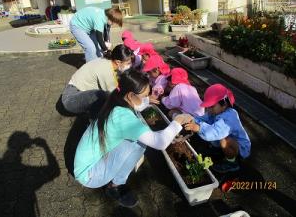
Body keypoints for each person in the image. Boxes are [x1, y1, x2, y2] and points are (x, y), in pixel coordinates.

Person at [73, 69, 192, 208]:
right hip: (90, 175)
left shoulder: (116, 100)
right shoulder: (123, 118)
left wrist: (146, 100)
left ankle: (116, 180)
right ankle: (114, 186)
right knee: (139, 143)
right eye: (144, 95)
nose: (146, 97)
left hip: (86, 163)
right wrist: (177, 121)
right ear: (130, 95)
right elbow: (160, 142)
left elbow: (136, 104)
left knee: (137, 139)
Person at [184, 84, 251, 173]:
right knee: (218, 136)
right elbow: (203, 118)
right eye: (207, 106)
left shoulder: (229, 117)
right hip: (224, 138)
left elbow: (214, 132)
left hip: (240, 147)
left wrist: (199, 128)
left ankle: (232, 162)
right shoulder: (214, 112)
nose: (209, 109)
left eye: (211, 106)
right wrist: (193, 120)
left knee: (224, 140)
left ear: (224, 104)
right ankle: (218, 150)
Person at [61, 44, 133, 115]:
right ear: (118, 62)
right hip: (71, 99)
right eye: (128, 63)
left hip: (76, 90)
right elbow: (113, 95)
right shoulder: (106, 70)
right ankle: (94, 121)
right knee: (104, 96)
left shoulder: (108, 60)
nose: (130, 65)